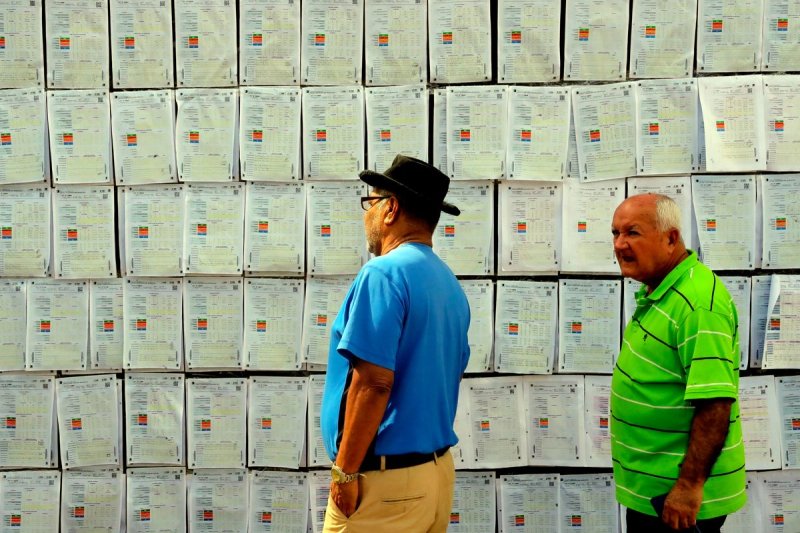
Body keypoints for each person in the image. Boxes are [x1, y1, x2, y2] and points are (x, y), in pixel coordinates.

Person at [320, 154, 471, 533]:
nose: (366, 215)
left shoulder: (383, 274)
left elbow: (373, 383)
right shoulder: (448, 283)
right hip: (434, 476)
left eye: (370, 202)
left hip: (386, 486)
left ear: (391, 209)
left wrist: (345, 472)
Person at [610, 193, 746, 532]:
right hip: (655, 490)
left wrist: (688, 487)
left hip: (677, 501)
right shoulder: (663, 290)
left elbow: (715, 404)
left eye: (633, 233)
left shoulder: (697, 303)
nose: (620, 244)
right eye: (615, 233)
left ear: (670, 238)